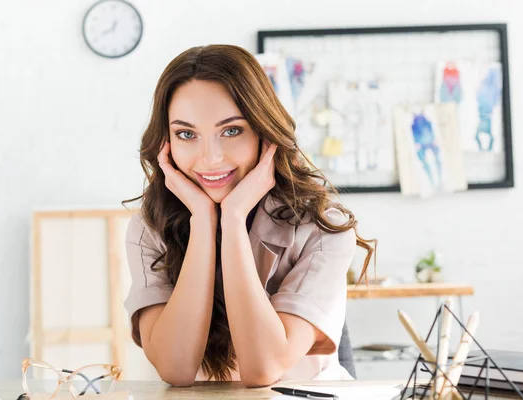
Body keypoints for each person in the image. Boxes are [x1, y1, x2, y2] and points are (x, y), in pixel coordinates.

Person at [122, 44, 375, 388]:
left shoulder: (322, 227)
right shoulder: (149, 227)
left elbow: (264, 369)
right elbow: (175, 368)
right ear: (166, 142)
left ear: (264, 132)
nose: (210, 158)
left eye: (231, 130)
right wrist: (202, 220)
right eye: (186, 134)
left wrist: (234, 218)